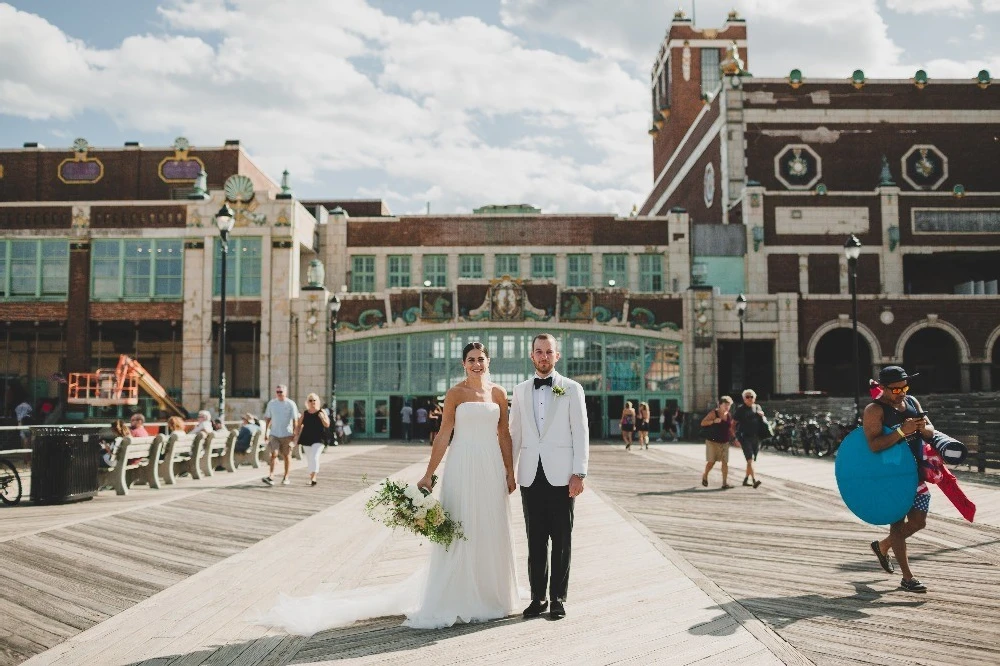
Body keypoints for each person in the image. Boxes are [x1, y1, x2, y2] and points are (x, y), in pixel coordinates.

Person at [261, 341, 520, 633]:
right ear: (463, 363)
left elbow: (504, 435)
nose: (476, 364)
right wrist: (428, 474)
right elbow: (444, 433)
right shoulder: (455, 394)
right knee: (461, 525)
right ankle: (461, 595)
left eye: (481, 359)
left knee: (490, 525)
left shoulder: (498, 393)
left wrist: (510, 471)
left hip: (490, 466)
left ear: (488, 362)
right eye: (471, 359)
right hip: (462, 464)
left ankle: (491, 595)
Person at [510, 333, 589, 620]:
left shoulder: (572, 388)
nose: (544, 356)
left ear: (557, 356)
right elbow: (514, 434)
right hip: (530, 476)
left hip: (562, 475)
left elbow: (580, 432)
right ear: (531, 356)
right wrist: (510, 471)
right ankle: (537, 598)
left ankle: (557, 598)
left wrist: (579, 472)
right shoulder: (519, 391)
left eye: (549, 352)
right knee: (535, 541)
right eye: (539, 352)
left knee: (562, 539)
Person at [865, 365, 933, 593]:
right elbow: (874, 445)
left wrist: (925, 429)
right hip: (890, 475)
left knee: (918, 522)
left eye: (904, 387)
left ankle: (883, 546)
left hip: (915, 472)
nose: (901, 392)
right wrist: (902, 432)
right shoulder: (875, 410)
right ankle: (907, 578)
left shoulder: (912, 402)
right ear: (882, 388)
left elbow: (931, 431)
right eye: (895, 390)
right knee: (897, 522)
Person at [263, 384, 299, 486]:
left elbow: (295, 420)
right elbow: (268, 419)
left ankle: (286, 476)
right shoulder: (272, 403)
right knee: (273, 454)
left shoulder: (291, 404)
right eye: (277, 392)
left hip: (287, 434)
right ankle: (271, 476)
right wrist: (266, 432)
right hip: (274, 433)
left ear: (285, 392)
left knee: (286, 456)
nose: (279, 394)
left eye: (281, 392)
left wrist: (295, 434)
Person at [294, 393, 330, 486]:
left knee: (314, 457)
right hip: (307, 438)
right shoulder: (305, 413)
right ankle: (311, 477)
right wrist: (295, 437)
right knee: (310, 459)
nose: (312, 402)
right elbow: (298, 425)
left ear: (317, 401)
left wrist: (322, 418)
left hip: (319, 439)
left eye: (314, 400)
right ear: (307, 402)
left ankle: (313, 478)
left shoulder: (322, 412)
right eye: (310, 400)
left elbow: (327, 424)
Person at [732, 389, 765, 488]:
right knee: (750, 460)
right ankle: (754, 480)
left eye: (751, 397)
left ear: (754, 398)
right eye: (747, 397)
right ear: (744, 399)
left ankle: (746, 479)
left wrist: (762, 415)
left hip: (756, 437)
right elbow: (733, 424)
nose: (750, 398)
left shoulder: (757, 407)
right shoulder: (740, 409)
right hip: (745, 437)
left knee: (751, 460)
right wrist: (735, 438)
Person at [700, 396, 734, 490]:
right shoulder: (713, 413)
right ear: (720, 404)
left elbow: (730, 428)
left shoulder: (729, 415)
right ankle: (705, 475)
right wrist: (713, 421)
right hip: (712, 441)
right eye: (725, 405)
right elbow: (703, 423)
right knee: (712, 462)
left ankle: (724, 483)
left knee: (725, 462)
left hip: (725, 442)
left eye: (729, 405)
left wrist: (734, 438)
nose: (727, 407)